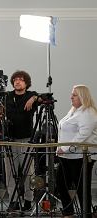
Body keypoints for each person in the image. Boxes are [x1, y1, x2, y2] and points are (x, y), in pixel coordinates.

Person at [56, 85, 97, 218]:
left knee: (82, 189)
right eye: (72, 94)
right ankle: (69, 212)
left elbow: (82, 135)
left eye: (74, 95)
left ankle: (87, 214)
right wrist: (59, 147)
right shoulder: (74, 110)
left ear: (82, 96)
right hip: (66, 155)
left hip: (81, 156)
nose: (71, 97)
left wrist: (65, 148)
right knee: (60, 182)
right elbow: (63, 129)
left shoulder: (88, 112)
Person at [5, 70, 39, 211]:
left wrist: (34, 98)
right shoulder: (7, 96)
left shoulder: (31, 95)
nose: (17, 82)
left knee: (28, 172)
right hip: (10, 139)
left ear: (26, 83)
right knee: (10, 173)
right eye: (15, 79)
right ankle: (13, 201)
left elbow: (44, 97)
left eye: (21, 79)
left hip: (26, 139)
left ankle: (28, 200)